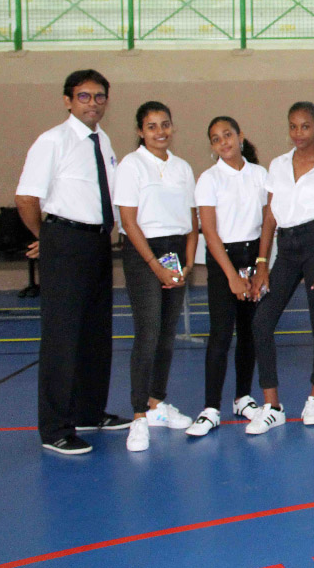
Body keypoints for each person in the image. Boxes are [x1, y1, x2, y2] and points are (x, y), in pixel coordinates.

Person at [15, 69, 131, 455]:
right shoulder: (52, 141)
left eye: (99, 96)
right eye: (84, 96)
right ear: (68, 100)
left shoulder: (103, 140)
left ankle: (88, 412)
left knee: (95, 333)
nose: (93, 103)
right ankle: (55, 429)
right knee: (62, 338)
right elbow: (26, 198)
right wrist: (47, 238)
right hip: (65, 242)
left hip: (97, 243)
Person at [247, 102, 314, 434]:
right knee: (262, 321)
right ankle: (272, 405)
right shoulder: (277, 165)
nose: (298, 133)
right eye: (293, 126)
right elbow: (270, 217)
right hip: (286, 248)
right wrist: (262, 263)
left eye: (305, 126)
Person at [114, 101, 199, 451]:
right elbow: (128, 220)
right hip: (143, 253)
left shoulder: (182, 168)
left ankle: (156, 404)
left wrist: (188, 261)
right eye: (151, 126)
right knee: (148, 332)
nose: (160, 132)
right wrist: (154, 264)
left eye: (165, 124)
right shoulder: (131, 166)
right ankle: (138, 416)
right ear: (140, 131)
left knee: (166, 334)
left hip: (175, 252)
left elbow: (192, 220)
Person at [187, 116, 268, 438]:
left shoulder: (260, 175)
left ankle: (243, 397)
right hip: (224, 260)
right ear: (212, 145)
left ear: (240, 136)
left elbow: (268, 223)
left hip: (253, 256)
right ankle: (210, 408)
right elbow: (209, 230)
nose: (223, 142)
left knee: (250, 332)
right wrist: (232, 275)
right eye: (216, 138)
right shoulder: (209, 179)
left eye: (228, 135)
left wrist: (261, 265)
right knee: (221, 334)